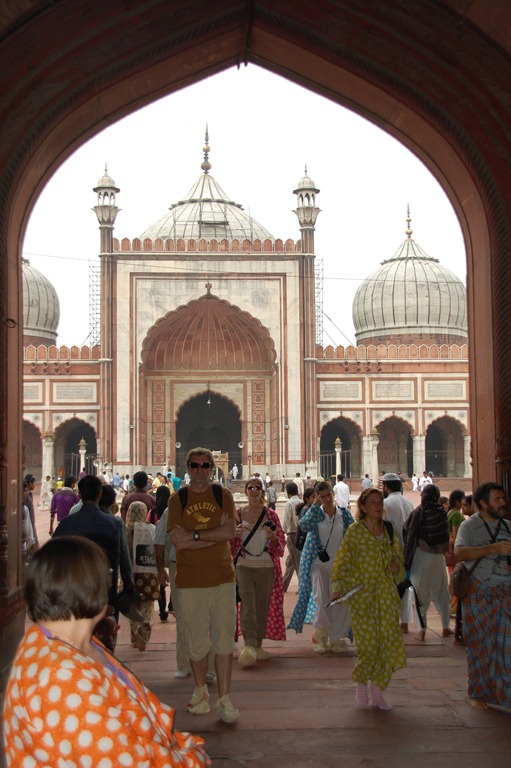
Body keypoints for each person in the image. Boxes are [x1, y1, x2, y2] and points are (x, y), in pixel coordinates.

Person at [2, 536, 209, 767]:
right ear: (89, 586)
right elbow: (120, 757)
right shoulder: (61, 676)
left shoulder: (68, 642)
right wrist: (191, 759)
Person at [165, 447, 239, 723]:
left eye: (205, 465)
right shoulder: (177, 499)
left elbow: (230, 532)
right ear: (187, 467)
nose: (200, 470)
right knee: (196, 642)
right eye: (195, 465)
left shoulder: (224, 495)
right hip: (190, 581)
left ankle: (225, 697)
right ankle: (200, 690)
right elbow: (178, 541)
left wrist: (194, 534)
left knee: (224, 640)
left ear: (211, 468)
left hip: (222, 578)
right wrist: (212, 535)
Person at [331, 487, 407, 710]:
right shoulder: (355, 532)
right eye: (372, 502)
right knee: (369, 645)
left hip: (386, 596)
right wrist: (338, 586)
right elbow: (342, 562)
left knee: (387, 643)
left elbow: (399, 559)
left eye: (379, 501)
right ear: (362, 507)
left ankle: (378, 690)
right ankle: (361, 684)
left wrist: (396, 565)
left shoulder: (389, 530)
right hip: (362, 595)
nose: (377, 505)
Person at [454, 482, 511, 710]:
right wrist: (494, 549)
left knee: (505, 648)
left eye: (503, 498)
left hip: (504, 594)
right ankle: (477, 691)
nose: (503, 503)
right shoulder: (470, 527)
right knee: (479, 646)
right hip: (478, 593)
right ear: (484, 503)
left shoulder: (508, 526)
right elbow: (459, 553)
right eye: (497, 499)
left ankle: (503, 694)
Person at [52, 474, 123, 651]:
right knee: (104, 639)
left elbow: (54, 559)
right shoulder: (111, 524)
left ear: (80, 494)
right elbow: (114, 562)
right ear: (100, 494)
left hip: (73, 588)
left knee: (75, 639)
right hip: (101, 586)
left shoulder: (67, 524)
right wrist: (112, 601)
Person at [288, 481, 354, 653]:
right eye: (322, 496)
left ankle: (336, 637)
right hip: (319, 565)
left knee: (340, 603)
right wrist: (316, 506)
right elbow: (303, 525)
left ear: (333, 494)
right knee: (322, 601)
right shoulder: (316, 514)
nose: (326, 499)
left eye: (328, 495)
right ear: (317, 497)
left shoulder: (344, 514)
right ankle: (319, 636)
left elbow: (354, 533)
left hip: (339, 567)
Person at [231, 477, 285, 666]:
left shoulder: (271, 515)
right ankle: (249, 645)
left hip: (265, 566)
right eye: (250, 487)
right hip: (244, 566)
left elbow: (281, 545)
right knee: (247, 605)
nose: (254, 491)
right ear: (246, 491)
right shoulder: (237, 514)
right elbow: (229, 545)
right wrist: (234, 534)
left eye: (257, 488)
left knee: (262, 606)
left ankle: (258, 644)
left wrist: (273, 538)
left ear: (262, 491)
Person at [403, 483, 452, 641]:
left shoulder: (419, 512)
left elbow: (407, 529)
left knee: (419, 592)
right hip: (438, 556)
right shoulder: (441, 513)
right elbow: (444, 535)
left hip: (421, 556)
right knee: (441, 590)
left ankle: (421, 631)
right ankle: (445, 627)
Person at [382, 472, 414, 632]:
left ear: (386, 487)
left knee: (390, 586)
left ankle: (392, 621)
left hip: (390, 550)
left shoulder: (385, 503)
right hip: (407, 549)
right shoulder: (408, 502)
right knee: (405, 586)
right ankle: (405, 623)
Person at [126, 500, 159, 651]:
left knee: (132, 607)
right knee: (147, 607)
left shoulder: (124, 530)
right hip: (148, 575)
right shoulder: (151, 529)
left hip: (130, 575)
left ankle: (134, 637)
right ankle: (143, 632)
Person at [151, 484, 172, 620]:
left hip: (158, 547)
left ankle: (162, 609)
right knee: (174, 576)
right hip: (171, 548)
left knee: (161, 582)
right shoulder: (172, 510)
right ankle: (172, 605)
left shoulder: (153, 512)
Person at [282, 481, 302, 591]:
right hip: (300, 534)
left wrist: (283, 533)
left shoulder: (289, 503)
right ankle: (283, 585)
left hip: (292, 534)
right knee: (291, 561)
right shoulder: (301, 502)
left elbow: (286, 521)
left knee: (296, 561)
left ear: (288, 493)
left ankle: (303, 586)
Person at [23, 473, 39, 547]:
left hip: (31, 523)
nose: (34, 485)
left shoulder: (29, 495)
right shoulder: (25, 497)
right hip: (28, 524)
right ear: (30, 483)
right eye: (34, 483)